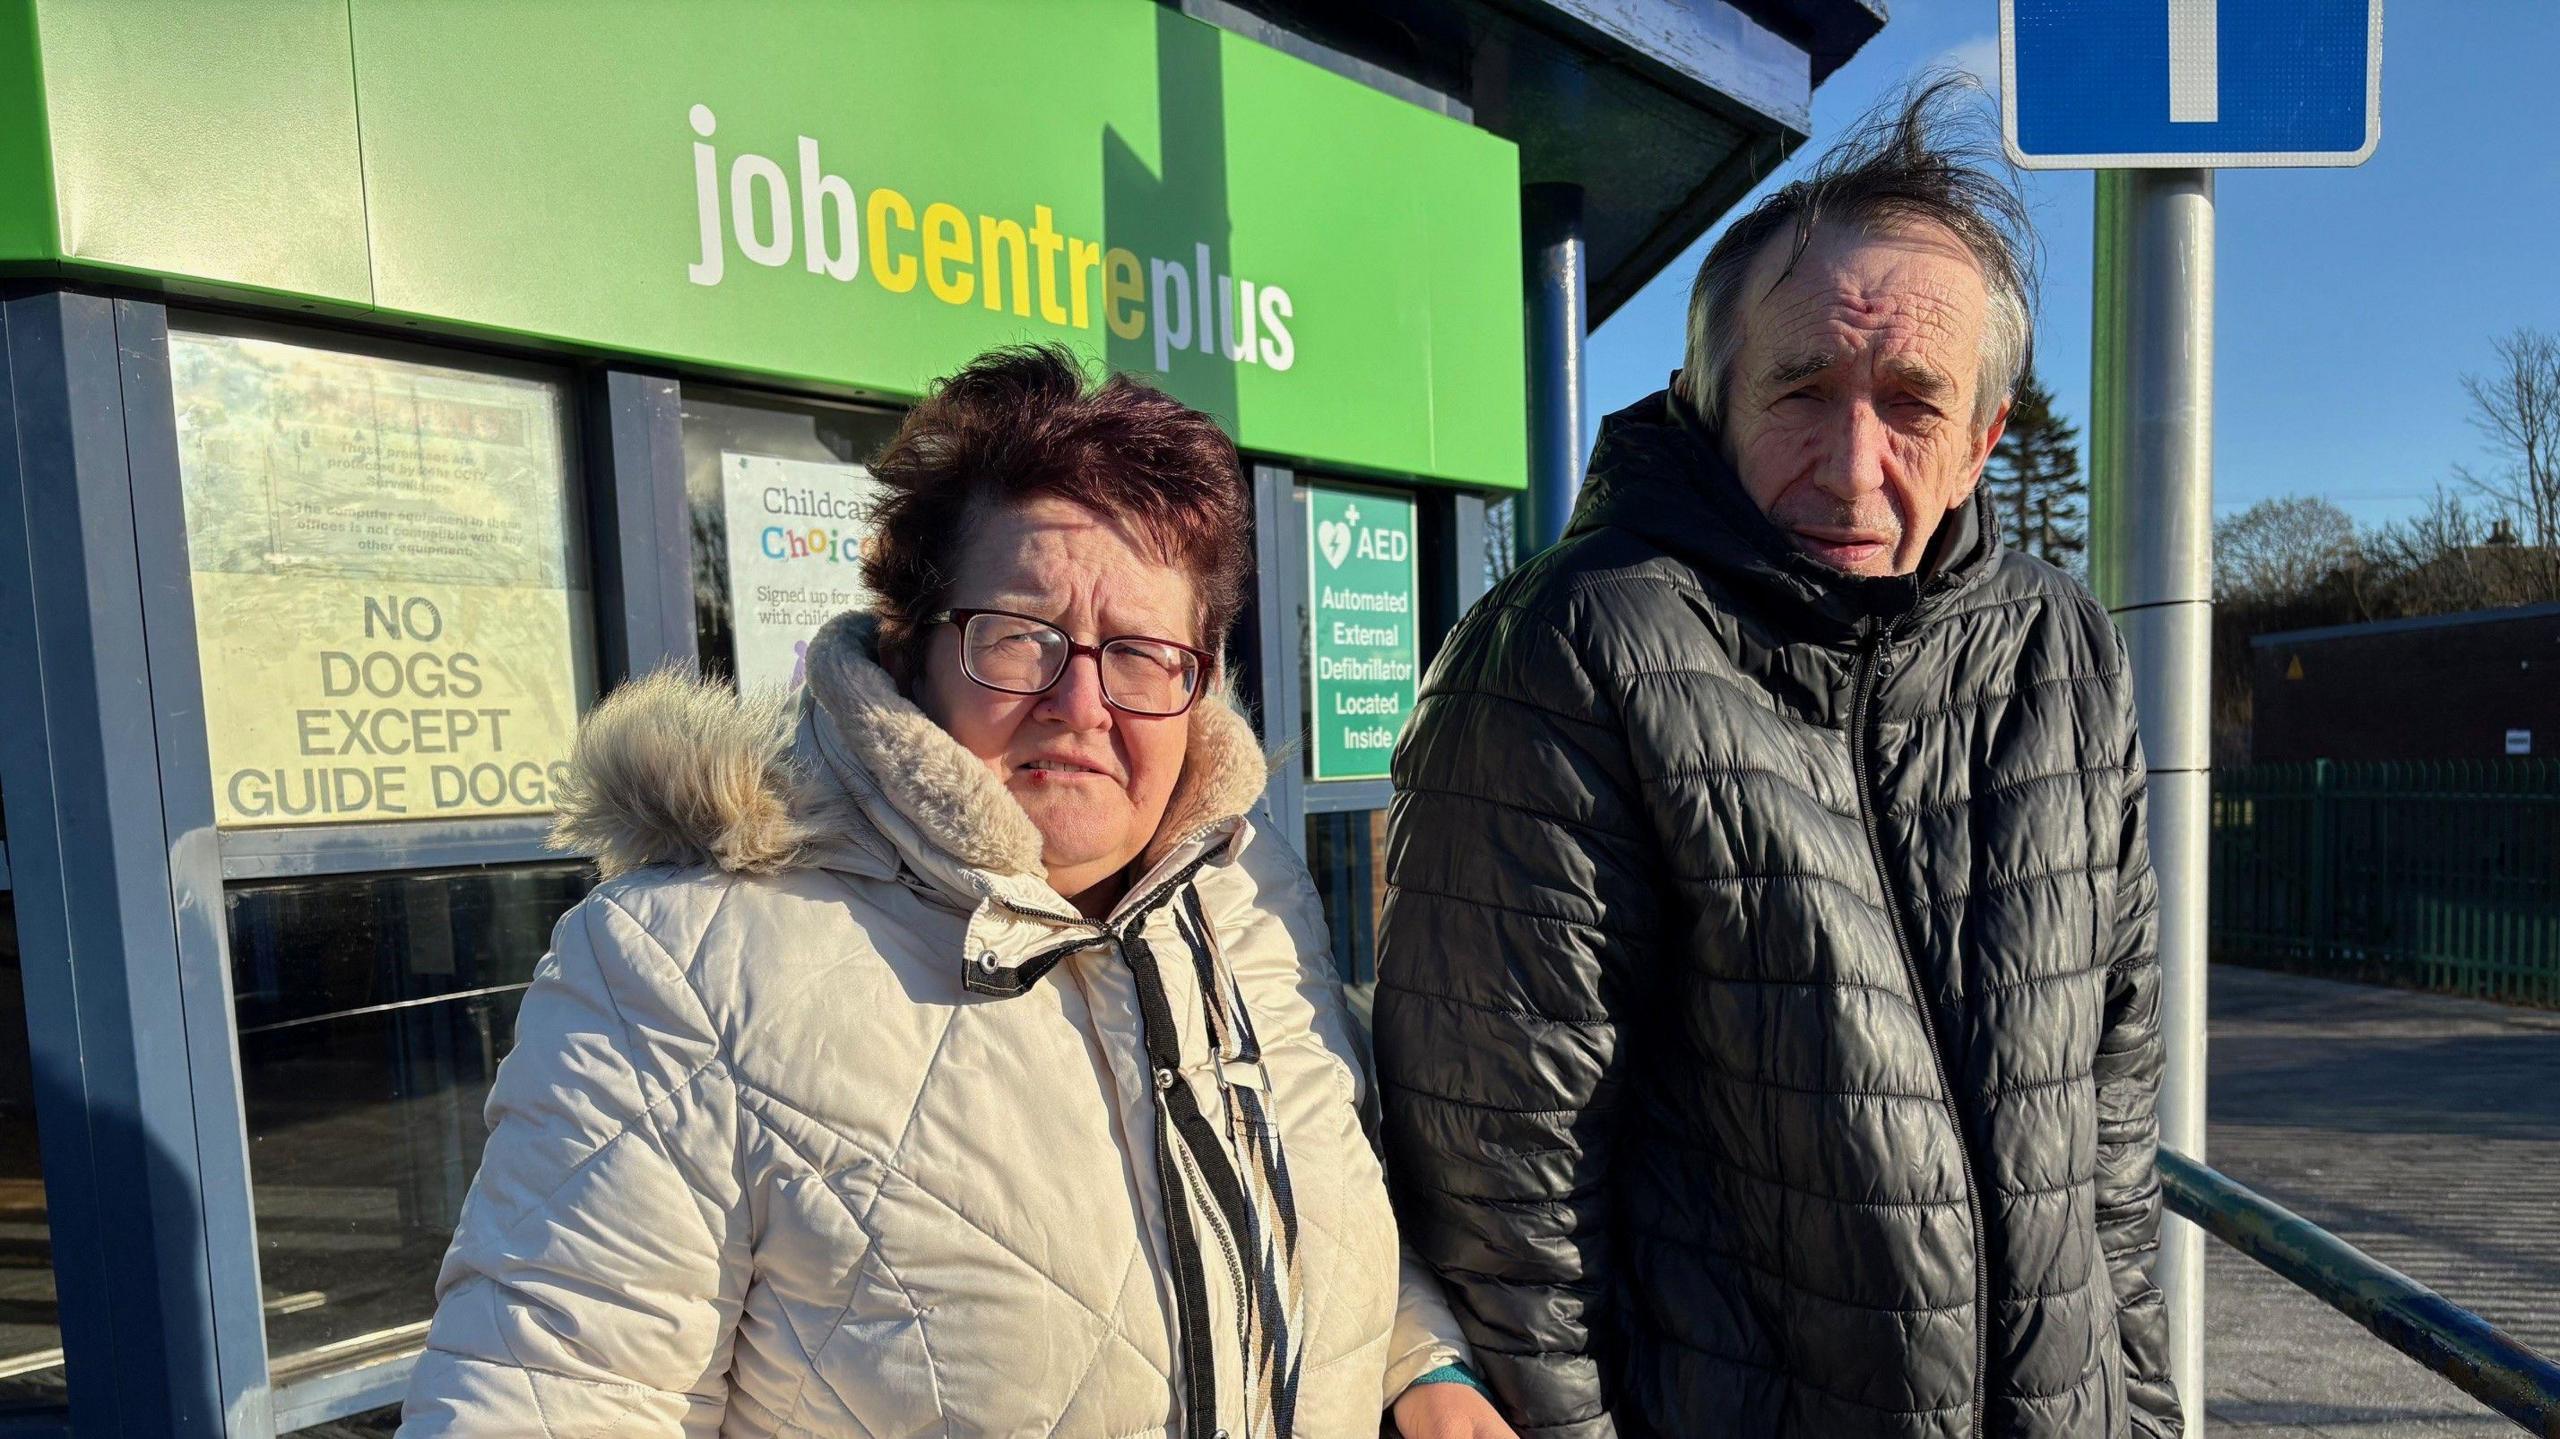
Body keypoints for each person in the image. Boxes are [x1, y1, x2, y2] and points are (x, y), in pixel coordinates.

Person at [400, 345, 1513, 1438]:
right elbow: (546, 1392)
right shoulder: (683, 968)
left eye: (1139, 651)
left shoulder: (1247, 893)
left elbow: (1300, 1187)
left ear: (1196, 679)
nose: (1082, 700)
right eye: (1021, 635)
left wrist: (1421, 1357)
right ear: (912, 642)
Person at [1375, 79, 2181, 1439]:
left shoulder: (2062, 646)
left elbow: (2113, 1135)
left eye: (1914, 402)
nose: (1855, 465)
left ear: (1985, 440)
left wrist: (2145, 1415)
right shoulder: (1577, 645)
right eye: (1803, 387)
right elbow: (1505, 1189)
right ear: (1708, 396)